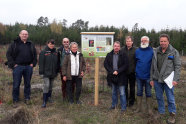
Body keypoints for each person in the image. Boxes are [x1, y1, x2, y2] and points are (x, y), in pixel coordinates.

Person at [150, 34, 181, 124]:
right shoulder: (155, 51)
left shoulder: (173, 52)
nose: (163, 43)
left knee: (170, 98)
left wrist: (175, 79)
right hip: (157, 80)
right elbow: (152, 66)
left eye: (164, 41)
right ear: (159, 42)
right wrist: (151, 78)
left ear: (168, 41)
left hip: (168, 80)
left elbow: (177, 66)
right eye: (161, 41)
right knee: (159, 97)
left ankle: (172, 115)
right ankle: (161, 111)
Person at [6, 30, 37, 107]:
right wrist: (13, 64)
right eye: (23, 34)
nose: (24, 35)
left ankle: (27, 98)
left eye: (26, 34)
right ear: (20, 35)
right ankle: (15, 100)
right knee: (16, 84)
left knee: (27, 84)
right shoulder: (15, 43)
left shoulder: (30, 44)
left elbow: (35, 55)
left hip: (28, 67)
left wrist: (33, 64)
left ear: (28, 35)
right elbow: (8, 54)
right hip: (18, 67)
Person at [104, 41, 129, 112]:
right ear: (113, 46)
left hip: (121, 76)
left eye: (118, 46)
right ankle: (113, 105)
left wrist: (118, 71)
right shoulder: (109, 55)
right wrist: (112, 71)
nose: (116, 47)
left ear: (120, 47)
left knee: (122, 93)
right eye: (115, 46)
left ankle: (123, 108)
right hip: (112, 76)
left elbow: (126, 65)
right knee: (114, 92)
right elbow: (106, 64)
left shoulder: (123, 54)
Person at [135, 36, 153, 114]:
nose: (143, 42)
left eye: (145, 41)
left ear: (148, 42)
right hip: (139, 76)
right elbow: (135, 61)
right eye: (142, 40)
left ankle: (149, 109)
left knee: (148, 93)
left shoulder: (152, 51)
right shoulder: (137, 51)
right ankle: (139, 108)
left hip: (148, 76)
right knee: (139, 92)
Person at [39, 39, 60, 108]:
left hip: (53, 72)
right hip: (46, 73)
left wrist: (57, 71)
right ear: (47, 44)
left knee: (51, 86)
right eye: (50, 44)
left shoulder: (56, 52)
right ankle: (44, 101)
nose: (52, 45)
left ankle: (49, 98)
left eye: (53, 44)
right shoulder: (43, 52)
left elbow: (58, 63)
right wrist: (41, 72)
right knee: (46, 85)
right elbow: (41, 63)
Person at [121, 36, 137, 107]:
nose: (128, 42)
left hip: (132, 72)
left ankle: (132, 101)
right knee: (125, 87)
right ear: (125, 42)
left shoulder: (136, 50)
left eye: (129, 41)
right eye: (127, 41)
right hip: (124, 72)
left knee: (132, 87)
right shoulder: (122, 50)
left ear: (132, 42)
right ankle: (126, 100)